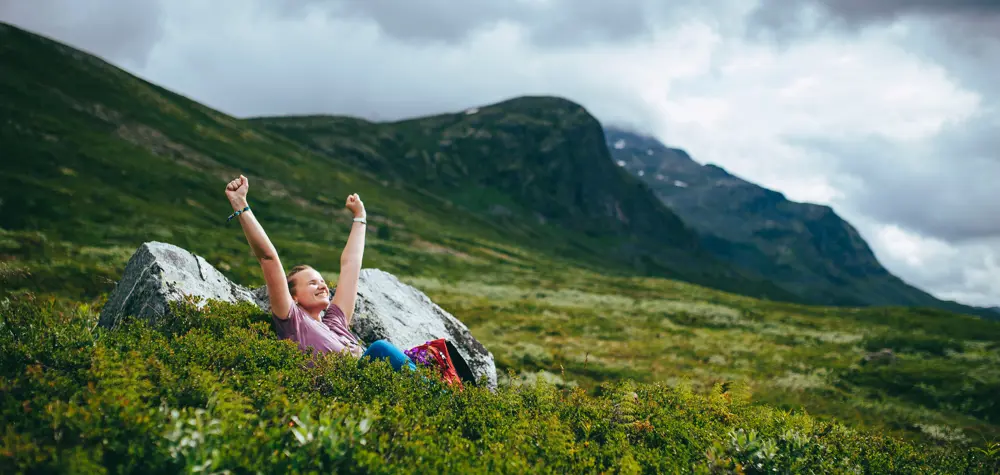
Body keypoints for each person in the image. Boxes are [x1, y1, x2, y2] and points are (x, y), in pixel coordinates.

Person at [224, 174, 415, 371]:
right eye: (312, 283)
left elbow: (351, 266)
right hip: (343, 391)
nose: (323, 285)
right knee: (380, 348)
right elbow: (268, 258)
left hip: (375, 389)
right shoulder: (292, 321)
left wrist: (360, 217)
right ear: (294, 297)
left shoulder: (335, 322)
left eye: (322, 281)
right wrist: (240, 204)